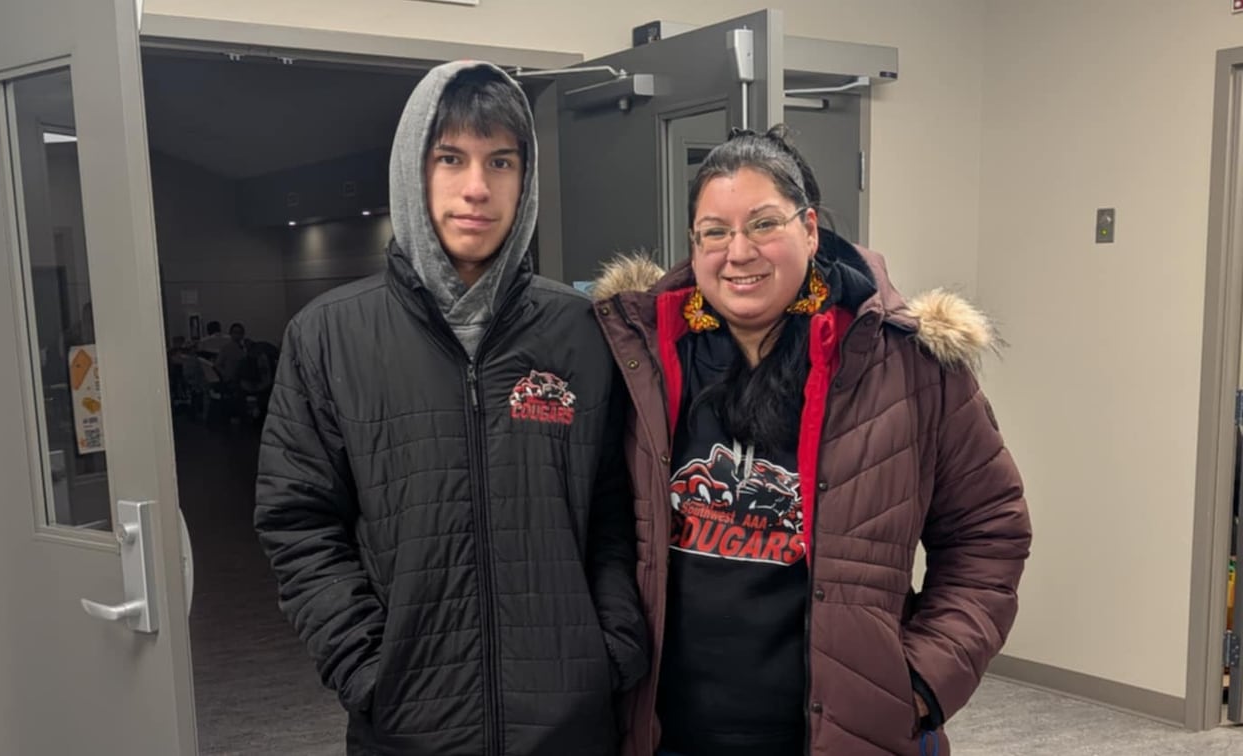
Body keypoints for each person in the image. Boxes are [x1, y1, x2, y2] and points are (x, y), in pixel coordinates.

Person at [591, 126, 1031, 756]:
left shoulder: (907, 366)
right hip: (666, 735)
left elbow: (990, 532)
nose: (738, 252)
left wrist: (920, 681)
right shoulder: (639, 361)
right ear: (693, 245)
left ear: (811, 229)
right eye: (715, 231)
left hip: (845, 732)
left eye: (764, 223)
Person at [254, 61, 648, 756]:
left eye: (501, 161)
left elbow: (615, 510)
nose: (476, 188)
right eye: (451, 158)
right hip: (405, 722)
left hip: (568, 724)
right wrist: (367, 670)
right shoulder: (328, 337)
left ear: (525, 179)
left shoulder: (583, 332)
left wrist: (607, 649)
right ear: (415, 168)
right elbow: (298, 524)